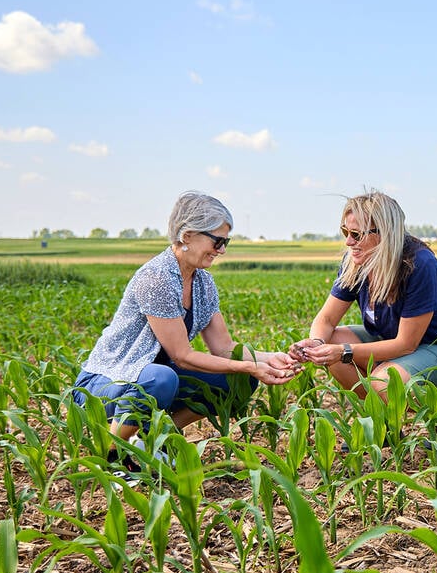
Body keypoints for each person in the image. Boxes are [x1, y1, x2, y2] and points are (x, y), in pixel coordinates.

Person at [72, 191, 298, 477]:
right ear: (187, 235)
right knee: (162, 378)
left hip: (155, 379)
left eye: (226, 242)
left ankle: (156, 438)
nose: (222, 250)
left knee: (238, 380)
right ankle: (114, 452)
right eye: (218, 241)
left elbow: (225, 347)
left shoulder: (203, 282)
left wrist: (271, 359)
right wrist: (251, 366)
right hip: (107, 383)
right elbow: (183, 355)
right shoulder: (157, 278)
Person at [288, 190, 437, 400]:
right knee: (332, 341)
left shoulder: (420, 265)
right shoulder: (355, 263)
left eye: (357, 235)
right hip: (408, 345)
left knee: (384, 381)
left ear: (384, 233)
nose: (348, 242)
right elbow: (326, 319)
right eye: (345, 231)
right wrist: (316, 343)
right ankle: (384, 426)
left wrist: (344, 351)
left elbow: (405, 344)